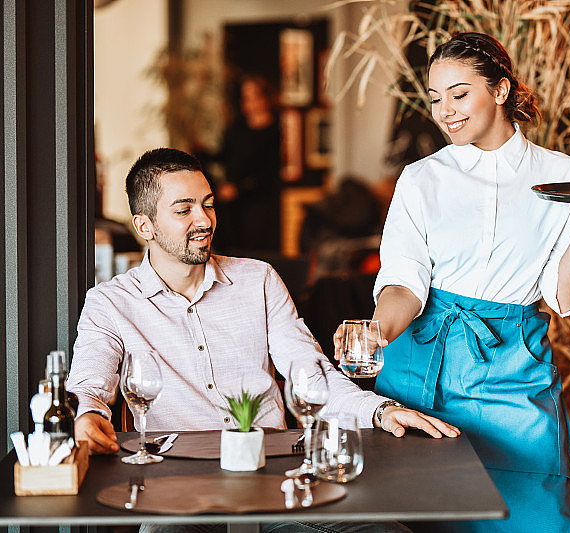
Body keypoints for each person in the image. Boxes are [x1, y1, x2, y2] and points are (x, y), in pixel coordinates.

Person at [67, 148, 458, 533]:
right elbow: (87, 385)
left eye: (208, 205)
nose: (204, 220)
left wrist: (381, 411)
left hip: (274, 480)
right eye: (184, 210)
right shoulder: (110, 302)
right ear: (144, 226)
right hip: (174, 489)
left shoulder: (260, 280)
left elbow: (313, 376)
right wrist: (87, 415)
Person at [334, 33, 570, 532]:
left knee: (536, 515)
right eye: (435, 98)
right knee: (426, 517)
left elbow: (564, 296)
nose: (444, 111)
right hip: (422, 371)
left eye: (459, 93)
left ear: (500, 90)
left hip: (513, 369)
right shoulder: (421, 179)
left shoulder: (563, 176)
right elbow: (404, 283)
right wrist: (376, 333)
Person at [213, 75, 283, 253]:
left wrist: (238, 189)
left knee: (254, 249)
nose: (250, 103)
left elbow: (268, 172)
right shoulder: (238, 128)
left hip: (259, 202)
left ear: (266, 98)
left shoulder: (276, 131)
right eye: (246, 97)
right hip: (232, 203)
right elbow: (226, 156)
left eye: (255, 96)